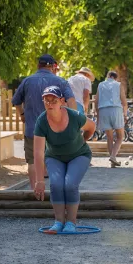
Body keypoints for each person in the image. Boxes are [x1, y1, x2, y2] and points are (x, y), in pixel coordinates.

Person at [33, 86, 95, 234]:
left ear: (62, 101)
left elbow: (91, 127)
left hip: (79, 155)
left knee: (70, 184)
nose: (49, 103)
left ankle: (71, 223)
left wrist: (83, 140)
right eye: (46, 100)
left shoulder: (74, 116)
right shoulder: (41, 121)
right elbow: (38, 152)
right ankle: (58, 222)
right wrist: (39, 181)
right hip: (55, 157)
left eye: (53, 100)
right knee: (55, 184)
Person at [12, 54, 77, 190]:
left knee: (32, 161)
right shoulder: (60, 81)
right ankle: (57, 192)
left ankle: (35, 192)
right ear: (53, 66)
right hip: (56, 130)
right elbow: (71, 101)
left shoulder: (27, 81)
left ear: (38, 65)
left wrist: (22, 114)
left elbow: (16, 101)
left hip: (32, 130)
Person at [95, 70, 127, 167]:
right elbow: (124, 101)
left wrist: (98, 115)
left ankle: (112, 162)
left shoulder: (100, 85)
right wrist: (125, 114)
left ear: (107, 76)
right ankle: (113, 156)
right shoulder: (118, 84)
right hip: (115, 110)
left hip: (103, 110)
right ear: (115, 77)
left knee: (109, 138)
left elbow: (96, 102)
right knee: (120, 136)